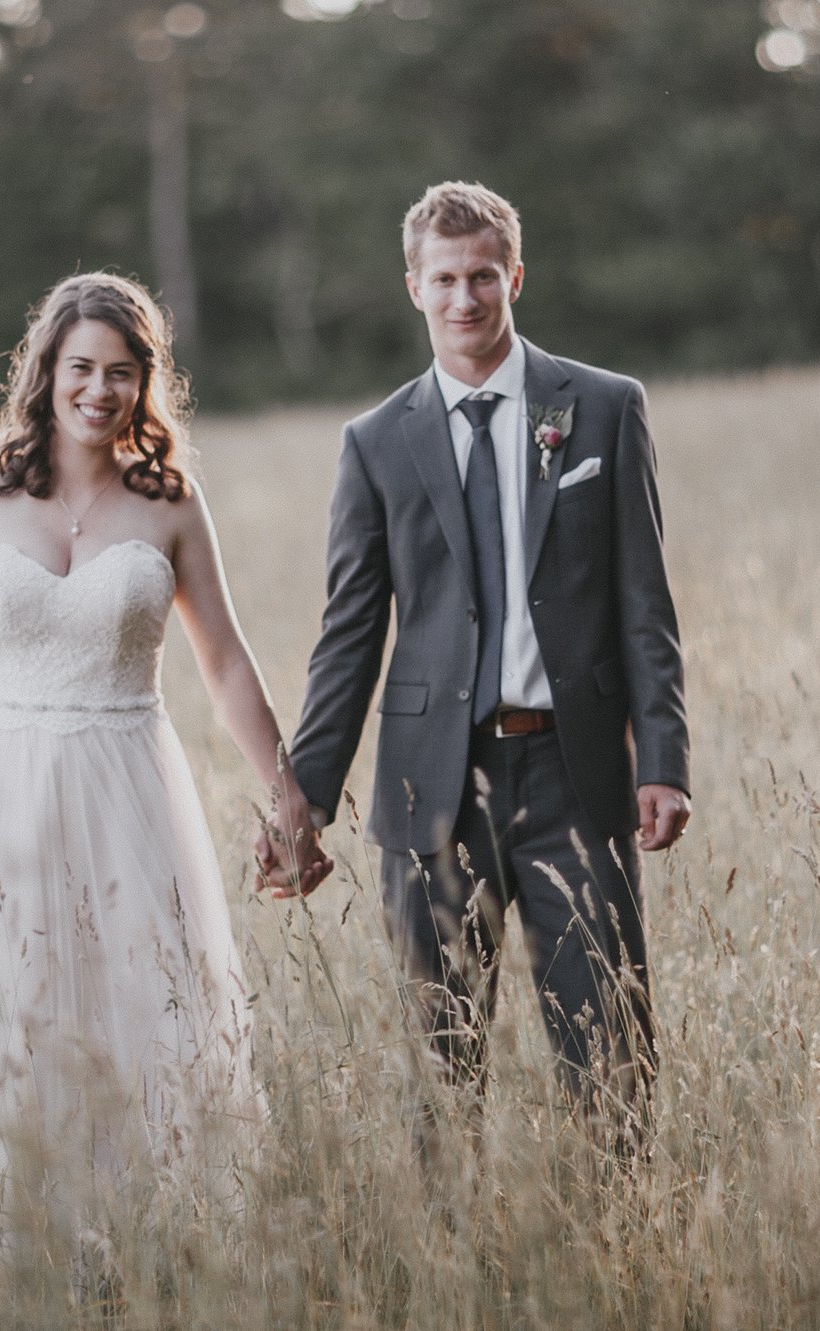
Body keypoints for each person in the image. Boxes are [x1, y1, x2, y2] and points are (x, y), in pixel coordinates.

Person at [0, 272, 329, 1223]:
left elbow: (226, 661)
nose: (98, 389)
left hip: (131, 791)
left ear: (144, 384)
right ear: (44, 372)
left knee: (140, 1019)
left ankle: (144, 1250)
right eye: (81, 367)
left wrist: (288, 794)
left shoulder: (170, 502)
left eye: (122, 372)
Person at [284, 181, 689, 1146]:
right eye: (444, 280)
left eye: (482, 277)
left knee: (610, 1047)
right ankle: (457, 1269)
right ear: (413, 288)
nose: (465, 298)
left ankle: (619, 1260)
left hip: (574, 773)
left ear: (516, 275)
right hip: (431, 784)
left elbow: (646, 605)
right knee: (443, 1062)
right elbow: (350, 633)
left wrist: (663, 758)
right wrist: (303, 797)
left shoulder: (601, 408)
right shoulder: (376, 443)